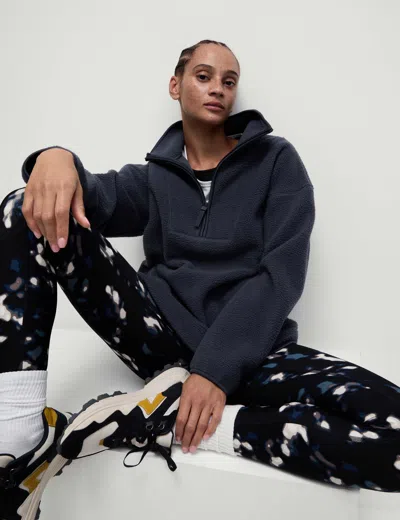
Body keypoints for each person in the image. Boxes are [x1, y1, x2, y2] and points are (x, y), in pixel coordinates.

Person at [1, 39, 400, 520]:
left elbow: (282, 274)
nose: (218, 89)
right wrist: (54, 155)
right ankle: (20, 435)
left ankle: (172, 421)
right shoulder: (155, 177)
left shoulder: (276, 162)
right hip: (159, 339)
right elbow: (93, 195)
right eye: (204, 76)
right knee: (23, 207)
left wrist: (213, 372)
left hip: (255, 352)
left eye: (229, 81)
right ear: (176, 86)